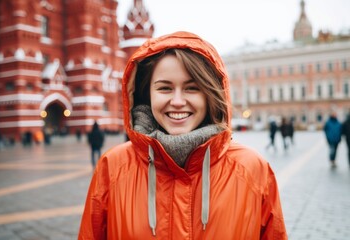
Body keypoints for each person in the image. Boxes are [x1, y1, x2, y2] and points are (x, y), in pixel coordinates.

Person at [79, 31, 287, 239]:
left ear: (210, 94)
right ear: (147, 94)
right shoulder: (113, 167)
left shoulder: (252, 170)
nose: (177, 101)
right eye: (165, 88)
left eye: (192, 88)